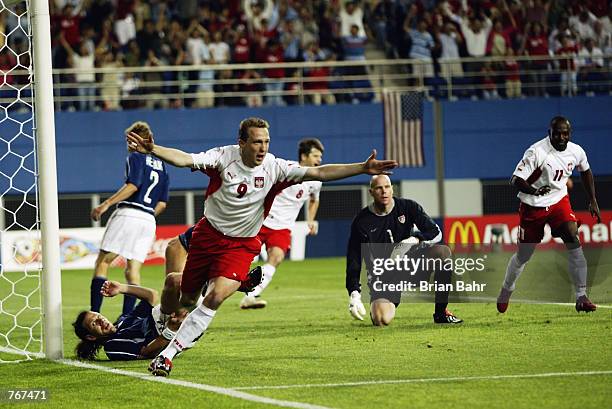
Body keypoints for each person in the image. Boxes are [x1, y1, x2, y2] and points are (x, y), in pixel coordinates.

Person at [126, 117, 397, 376]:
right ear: (241, 142)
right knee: (186, 299)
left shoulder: (275, 167)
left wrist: (361, 168)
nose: (263, 148)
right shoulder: (222, 158)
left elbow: (319, 172)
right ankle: (164, 315)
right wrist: (154, 149)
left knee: (215, 297)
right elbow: (186, 159)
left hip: (242, 245)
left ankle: (167, 356)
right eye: (257, 142)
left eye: (266, 142)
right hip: (208, 237)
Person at [497, 116, 601, 314]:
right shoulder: (537, 152)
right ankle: (507, 288)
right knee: (523, 255)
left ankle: (581, 296)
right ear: (549, 134)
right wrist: (534, 191)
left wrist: (593, 200)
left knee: (572, 236)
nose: (561, 137)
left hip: (558, 202)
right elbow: (515, 179)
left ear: (570, 134)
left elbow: (586, 171)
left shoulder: (576, 151)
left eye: (565, 133)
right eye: (557, 134)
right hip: (532, 206)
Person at [345, 175, 463, 327]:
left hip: (411, 267)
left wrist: (413, 240)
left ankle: (441, 313)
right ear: (371, 192)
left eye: (387, 187)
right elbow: (354, 258)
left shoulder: (408, 207)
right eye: (379, 188)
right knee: (381, 319)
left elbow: (435, 232)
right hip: (384, 276)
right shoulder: (362, 221)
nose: (384, 191)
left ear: (392, 189)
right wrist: (354, 294)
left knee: (443, 253)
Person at [90, 121, 170, 315]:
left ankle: (95, 312)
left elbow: (133, 185)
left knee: (103, 262)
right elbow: (162, 203)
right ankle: (126, 317)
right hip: (148, 220)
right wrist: (147, 214)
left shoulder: (135, 157)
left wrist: (106, 204)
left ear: (136, 140)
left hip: (128, 214)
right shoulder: (163, 166)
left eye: (129, 140)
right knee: (132, 271)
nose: (127, 144)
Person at [241, 138, 324, 309]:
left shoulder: (317, 180)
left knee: (276, 258)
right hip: (260, 221)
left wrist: (310, 219)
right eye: (316, 156)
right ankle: (206, 292)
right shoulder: (287, 169)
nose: (319, 160)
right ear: (304, 156)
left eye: (320, 157)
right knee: (240, 260)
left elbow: (314, 200)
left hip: (282, 227)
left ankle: (252, 295)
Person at [73, 280, 185, 361]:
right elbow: (146, 352)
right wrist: (170, 331)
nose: (101, 321)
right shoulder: (111, 346)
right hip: (166, 331)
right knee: (174, 280)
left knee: (179, 283)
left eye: (98, 316)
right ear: (91, 337)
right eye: (94, 323)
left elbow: (151, 296)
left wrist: (122, 288)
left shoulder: (123, 321)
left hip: (169, 322)